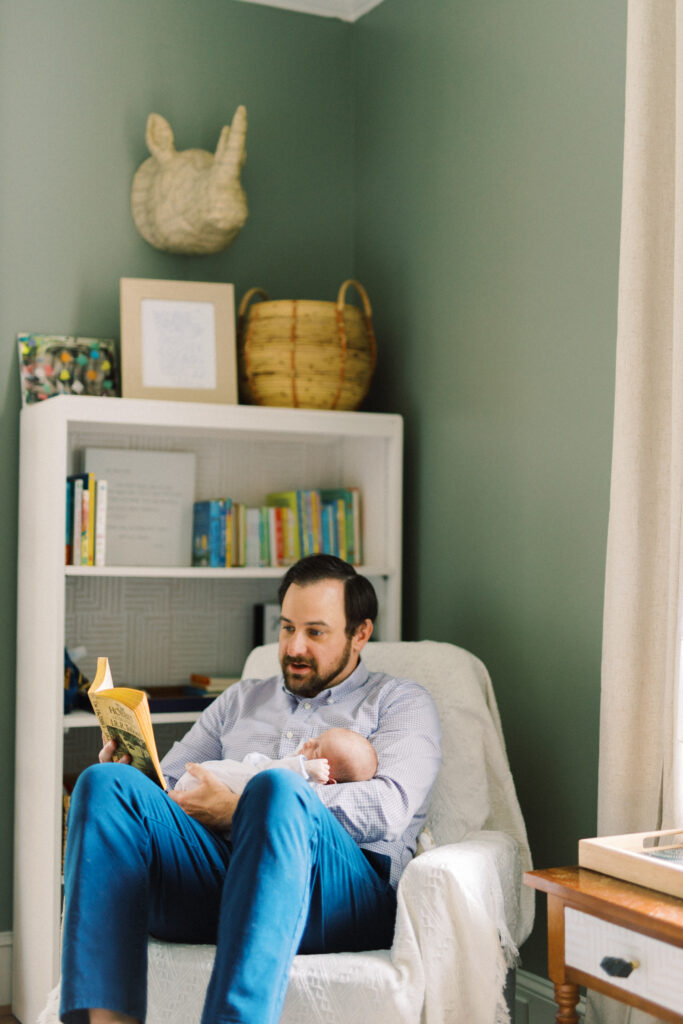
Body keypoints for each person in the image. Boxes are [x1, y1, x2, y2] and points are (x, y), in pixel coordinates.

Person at [60, 554, 442, 1024]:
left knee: (277, 789)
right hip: (219, 876)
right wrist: (135, 773)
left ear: (360, 633)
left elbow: (390, 807)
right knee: (105, 784)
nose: (294, 646)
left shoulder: (400, 702)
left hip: (336, 894)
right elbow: (171, 783)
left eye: (315, 632)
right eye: (286, 628)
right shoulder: (241, 699)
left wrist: (241, 809)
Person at [175, 726, 379, 794]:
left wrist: (304, 769)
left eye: (316, 750)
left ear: (327, 780)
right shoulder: (294, 762)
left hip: (215, 788)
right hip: (194, 782)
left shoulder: (308, 784)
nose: (308, 742)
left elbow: (274, 779)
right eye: (316, 739)